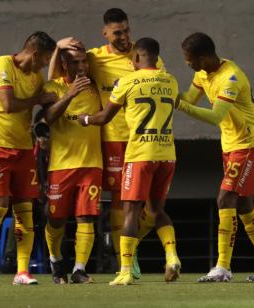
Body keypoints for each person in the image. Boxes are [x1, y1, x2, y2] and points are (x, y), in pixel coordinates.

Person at [48, 8, 165, 277]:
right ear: (105, 33)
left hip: (144, 139)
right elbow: (57, 76)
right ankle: (126, 257)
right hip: (111, 139)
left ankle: (128, 245)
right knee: (119, 201)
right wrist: (57, 48)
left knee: (151, 206)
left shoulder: (144, 55)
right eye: (117, 32)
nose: (124, 37)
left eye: (126, 30)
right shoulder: (92, 59)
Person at [176, 32, 254, 282]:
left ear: (202, 58)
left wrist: (178, 105)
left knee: (225, 198)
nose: (187, 63)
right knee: (245, 205)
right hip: (230, 145)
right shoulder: (202, 73)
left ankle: (222, 268)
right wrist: (165, 91)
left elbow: (214, 116)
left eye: (188, 59)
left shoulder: (230, 78)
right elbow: (190, 98)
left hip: (248, 144)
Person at [79, 37, 181, 286]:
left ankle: (125, 270)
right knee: (156, 210)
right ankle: (172, 256)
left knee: (130, 211)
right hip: (167, 154)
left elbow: (104, 117)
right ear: (157, 58)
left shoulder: (127, 81)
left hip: (139, 155)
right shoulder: (171, 81)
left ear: (136, 58)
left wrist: (84, 120)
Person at [0, 31, 58, 285]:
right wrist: (37, 99)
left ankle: (22, 272)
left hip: (22, 148)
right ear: (34, 53)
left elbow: (49, 91)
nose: (44, 65)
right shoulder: (2, 65)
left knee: (25, 212)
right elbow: (8, 105)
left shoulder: (35, 76)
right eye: (44, 59)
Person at [42, 46, 103, 284]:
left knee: (86, 217)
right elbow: (48, 118)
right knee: (56, 219)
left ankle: (79, 269)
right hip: (61, 164)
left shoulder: (94, 87)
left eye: (84, 62)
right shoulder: (53, 87)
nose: (81, 67)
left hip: (91, 163)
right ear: (64, 65)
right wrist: (69, 94)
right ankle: (56, 262)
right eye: (75, 63)